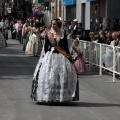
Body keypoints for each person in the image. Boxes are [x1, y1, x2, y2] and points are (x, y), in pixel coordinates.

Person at [30, 18, 79, 103]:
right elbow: (45, 48)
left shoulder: (63, 35)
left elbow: (66, 49)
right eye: (52, 24)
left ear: (59, 25)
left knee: (60, 76)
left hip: (61, 58)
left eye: (55, 24)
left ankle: (60, 97)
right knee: (50, 76)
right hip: (50, 58)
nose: (53, 25)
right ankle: (49, 96)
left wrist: (71, 58)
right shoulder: (49, 35)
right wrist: (45, 59)